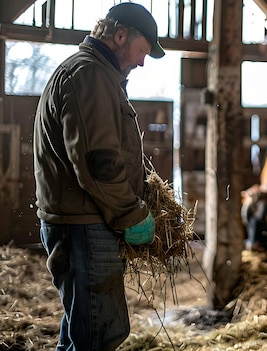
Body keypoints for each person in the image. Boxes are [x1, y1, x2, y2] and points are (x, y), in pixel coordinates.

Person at [33, 2, 165, 350]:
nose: (141, 62)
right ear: (119, 35)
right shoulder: (89, 75)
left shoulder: (96, 74)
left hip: (84, 220)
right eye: (141, 52)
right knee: (98, 335)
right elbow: (99, 165)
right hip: (85, 225)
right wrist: (131, 215)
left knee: (80, 330)